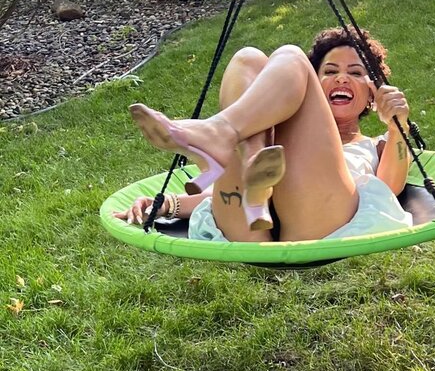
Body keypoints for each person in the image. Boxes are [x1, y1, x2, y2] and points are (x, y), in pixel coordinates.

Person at [115, 27, 414, 243]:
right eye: (330, 71)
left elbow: (391, 186)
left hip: (326, 223)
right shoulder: (272, 138)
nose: (341, 78)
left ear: (373, 93)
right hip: (248, 224)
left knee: (291, 55)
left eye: (356, 73)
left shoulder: (376, 145)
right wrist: (167, 204)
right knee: (246, 60)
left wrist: (396, 125)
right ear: (310, 83)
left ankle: (218, 133)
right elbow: (215, 194)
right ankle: (246, 159)